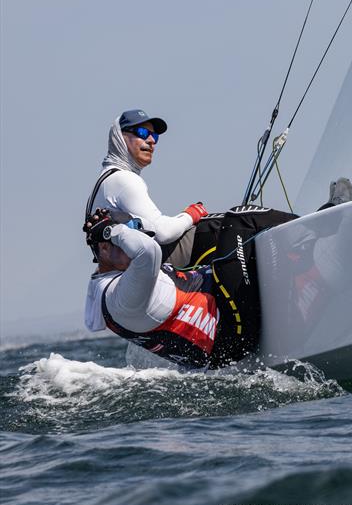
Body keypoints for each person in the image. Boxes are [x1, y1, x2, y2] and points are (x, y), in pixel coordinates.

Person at [82, 206, 296, 369]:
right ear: (104, 247)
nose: (138, 239)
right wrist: (113, 231)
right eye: (130, 236)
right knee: (239, 218)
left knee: (211, 230)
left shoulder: (105, 288)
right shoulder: (122, 294)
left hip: (220, 349)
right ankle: (313, 224)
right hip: (232, 330)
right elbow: (148, 252)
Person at [86, 109, 208, 267]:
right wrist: (192, 214)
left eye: (155, 136)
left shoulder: (107, 178)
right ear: (119, 138)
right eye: (142, 132)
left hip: (118, 276)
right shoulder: (123, 179)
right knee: (213, 230)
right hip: (133, 277)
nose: (151, 140)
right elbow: (162, 232)